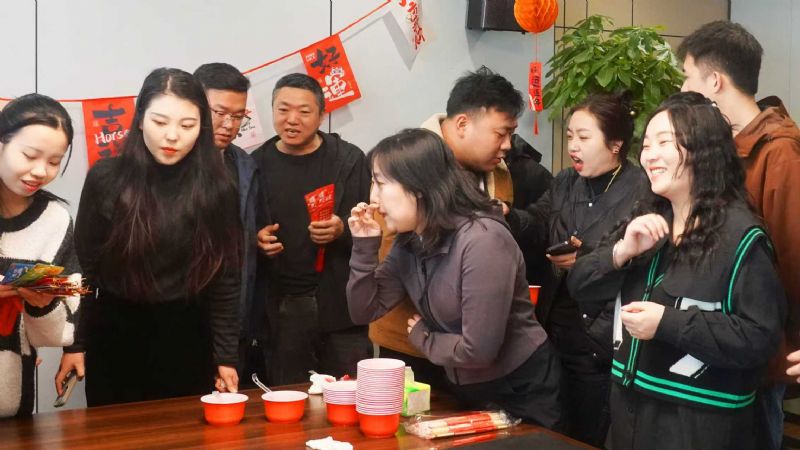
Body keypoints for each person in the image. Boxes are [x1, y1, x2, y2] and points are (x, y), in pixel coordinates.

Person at [569, 92, 786, 449]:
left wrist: (666, 323)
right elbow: (579, 286)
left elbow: (760, 337)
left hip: (699, 427)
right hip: (628, 418)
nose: (649, 155)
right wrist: (622, 251)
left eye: (664, 142)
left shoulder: (741, 237)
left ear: (704, 150)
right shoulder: (646, 222)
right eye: (646, 145)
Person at [347, 128, 562, 428]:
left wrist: (423, 337)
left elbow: (479, 350)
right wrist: (364, 246)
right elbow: (364, 310)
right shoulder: (411, 239)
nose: (373, 199)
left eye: (380, 183)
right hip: (466, 387)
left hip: (521, 389)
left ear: (418, 186)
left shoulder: (482, 241)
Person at [69, 68, 243, 406]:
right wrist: (75, 344)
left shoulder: (218, 187)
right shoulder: (106, 178)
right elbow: (83, 269)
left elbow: (226, 279)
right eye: (160, 122)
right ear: (139, 120)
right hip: (115, 333)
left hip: (188, 336)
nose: (172, 136)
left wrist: (225, 357)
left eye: (187, 125)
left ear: (202, 128)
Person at [370, 67, 553, 388]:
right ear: (463, 124)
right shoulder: (409, 164)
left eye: (511, 134)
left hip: (476, 352)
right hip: (412, 340)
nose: (508, 145)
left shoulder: (499, 172)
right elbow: (390, 263)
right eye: (501, 133)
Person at [677, 21, 800, 448]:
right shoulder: (727, 145)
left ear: (714, 81)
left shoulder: (779, 152)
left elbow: (792, 258)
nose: (684, 88)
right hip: (724, 338)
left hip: (760, 344)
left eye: (688, 76)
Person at [540, 92, 649, 446]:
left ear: (616, 144)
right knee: (553, 430)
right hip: (555, 327)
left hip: (599, 335)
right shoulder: (564, 181)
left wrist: (586, 256)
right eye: (570, 136)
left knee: (590, 432)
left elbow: (639, 260)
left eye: (584, 137)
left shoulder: (641, 190)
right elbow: (538, 218)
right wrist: (506, 215)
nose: (573, 146)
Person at [251, 73, 371, 384]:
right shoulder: (254, 165)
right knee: (289, 395)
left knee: (351, 394)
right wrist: (256, 240)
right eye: (283, 109)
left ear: (321, 114)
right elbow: (239, 229)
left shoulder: (349, 160)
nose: (292, 120)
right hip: (282, 310)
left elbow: (374, 226)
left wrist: (342, 229)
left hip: (341, 306)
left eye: (304, 111)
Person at [0, 94, 81, 417]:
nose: (40, 171)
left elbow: (56, 333)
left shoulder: (55, 219)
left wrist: (42, 304)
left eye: (54, 161)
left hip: (11, 396)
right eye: (30, 155)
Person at [194, 62, 270, 383]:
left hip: (234, 317)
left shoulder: (244, 165)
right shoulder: (172, 164)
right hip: (183, 321)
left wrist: (256, 237)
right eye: (219, 112)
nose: (228, 124)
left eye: (238, 116)